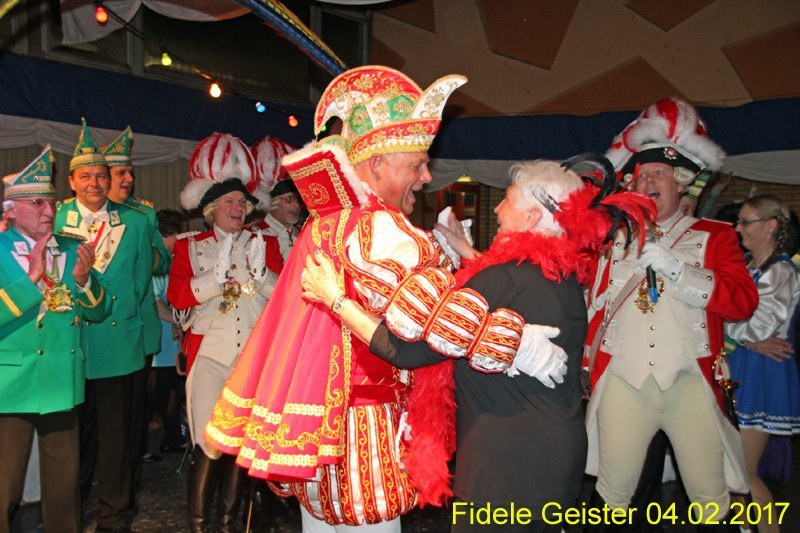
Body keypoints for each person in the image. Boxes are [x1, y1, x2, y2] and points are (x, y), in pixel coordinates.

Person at [205, 65, 565, 532]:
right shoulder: (379, 225)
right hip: (363, 436)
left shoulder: (328, 220)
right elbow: (436, 317)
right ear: (377, 165)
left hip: (322, 431)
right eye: (416, 165)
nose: (426, 176)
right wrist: (519, 345)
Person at [300, 156, 654, 533]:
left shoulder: (503, 279)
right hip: (553, 459)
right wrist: (466, 252)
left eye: (508, 198)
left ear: (532, 217)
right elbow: (506, 289)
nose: (498, 208)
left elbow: (406, 349)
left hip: (505, 468)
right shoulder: (557, 273)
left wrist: (337, 300)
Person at [584, 98, 759, 531]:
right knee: (611, 495)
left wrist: (681, 272)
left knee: (709, 497)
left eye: (659, 173)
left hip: (690, 384)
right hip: (623, 381)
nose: (647, 180)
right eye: (641, 174)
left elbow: (742, 302)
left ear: (681, 184)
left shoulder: (715, 237)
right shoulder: (609, 238)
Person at [167, 132, 282, 533]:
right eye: (229, 202)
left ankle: (229, 523)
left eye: (242, 203)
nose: (237, 208)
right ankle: (199, 526)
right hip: (209, 356)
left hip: (252, 359)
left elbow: (286, 296)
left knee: (240, 443)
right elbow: (177, 295)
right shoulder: (190, 246)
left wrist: (261, 274)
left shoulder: (265, 243)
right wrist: (213, 281)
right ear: (211, 209)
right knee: (209, 442)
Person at [0, 145, 110, 533]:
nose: (48, 210)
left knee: (64, 485)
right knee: (4, 483)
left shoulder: (71, 247)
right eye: (37, 203)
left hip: (61, 380)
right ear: (10, 210)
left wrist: (84, 281)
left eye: (50, 202)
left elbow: (99, 310)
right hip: (9, 384)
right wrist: (31, 279)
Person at [54, 118, 154, 533]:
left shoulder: (135, 221)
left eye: (100, 175)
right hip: (71, 343)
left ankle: (113, 515)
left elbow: (141, 279)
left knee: (117, 439)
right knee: (73, 439)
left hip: (118, 344)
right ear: (72, 182)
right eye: (86, 176)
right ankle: (69, 512)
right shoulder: (54, 219)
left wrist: (128, 322)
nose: (95, 183)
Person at [101, 125, 173, 494]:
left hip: (136, 330)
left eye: (130, 172)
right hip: (94, 332)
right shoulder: (78, 216)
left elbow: (161, 262)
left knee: (132, 415)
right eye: (120, 173)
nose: (128, 179)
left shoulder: (142, 214)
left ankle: (125, 487)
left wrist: (141, 251)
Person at [725, 194, 800, 533]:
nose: (738, 228)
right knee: (730, 469)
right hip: (739, 362)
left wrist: (727, 327)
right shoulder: (745, 264)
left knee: (743, 470)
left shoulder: (780, 270)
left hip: (760, 370)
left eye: (745, 222)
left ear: (770, 226)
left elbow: (760, 326)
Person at [145, 209, 190, 458]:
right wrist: (177, 321)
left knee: (167, 390)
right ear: (171, 234)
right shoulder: (157, 262)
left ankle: (171, 438)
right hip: (160, 342)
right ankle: (165, 439)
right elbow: (155, 302)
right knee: (160, 393)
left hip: (166, 343)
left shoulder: (167, 261)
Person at [250, 135, 301, 265]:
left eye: (298, 199)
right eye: (289, 199)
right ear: (273, 203)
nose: (296, 205)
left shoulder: (306, 233)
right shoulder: (251, 235)